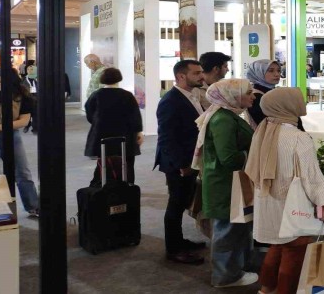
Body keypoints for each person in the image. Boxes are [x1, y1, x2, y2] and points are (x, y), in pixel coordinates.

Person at [246, 88, 324, 294]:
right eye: (298, 99)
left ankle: (266, 289)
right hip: (292, 204)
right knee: (295, 251)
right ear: (287, 105)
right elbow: (311, 177)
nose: (302, 102)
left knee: (277, 246)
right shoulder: (297, 137)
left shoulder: (263, 130)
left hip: (268, 201)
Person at [192, 78, 259, 288]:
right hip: (225, 183)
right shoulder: (223, 119)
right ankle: (225, 276)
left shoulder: (228, 115)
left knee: (234, 228)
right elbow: (228, 158)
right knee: (226, 230)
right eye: (248, 92)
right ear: (233, 96)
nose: (253, 96)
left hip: (230, 182)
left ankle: (234, 269)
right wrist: (252, 153)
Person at [154, 59, 207, 265]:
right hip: (179, 164)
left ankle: (179, 241)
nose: (201, 76)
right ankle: (174, 249)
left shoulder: (192, 96)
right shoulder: (170, 101)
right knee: (176, 205)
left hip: (190, 161)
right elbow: (166, 138)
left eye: (201, 72)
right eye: (196, 73)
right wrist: (181, 165)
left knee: (183, 201)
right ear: (181, 76)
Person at [83, 68, 143, 186]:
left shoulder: (96, 95)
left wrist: (97, 123)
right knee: (127, 161)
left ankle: (104, 184)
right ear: (119, 78)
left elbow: (90, 113)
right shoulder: (127, 95)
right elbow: (134, 115)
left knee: (104, 160)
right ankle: (128, 185)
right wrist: (139, 132)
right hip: (125, 134)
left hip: (102, 134)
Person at [0, 67, 39, 217]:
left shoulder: (21, 96)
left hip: (11, 135)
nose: (0, 85)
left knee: (23, 172)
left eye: (4, 82)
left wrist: (0, 126)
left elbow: (24, 121)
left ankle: (33, 206)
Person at [244, 60, 284, 128]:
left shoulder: (272, 92)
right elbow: (268, 125)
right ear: (258, 73)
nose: (277, 74)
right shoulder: (256, 96)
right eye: (271, 71)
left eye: (279, 70)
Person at [22, 63, 37, 134]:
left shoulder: (38, 79)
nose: (30, 71)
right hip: (27, 100)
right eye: (29, 70)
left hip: (37, 99)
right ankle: (27, 125)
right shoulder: (23, 80)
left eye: (32, 70)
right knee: (27, 114)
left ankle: (35, 128)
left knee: (36, 114)